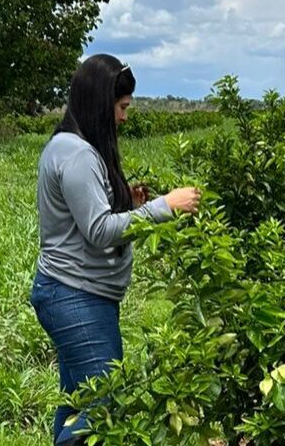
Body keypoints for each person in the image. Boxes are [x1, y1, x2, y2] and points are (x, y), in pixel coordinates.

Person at [29, 54, 201, 445]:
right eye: (121, 107)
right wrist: (163, 208)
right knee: (106, 405)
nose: (124, 117)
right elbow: (100, 230)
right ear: (100, 102)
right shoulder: (77, 155)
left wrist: (131, 204)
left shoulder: (68, 146)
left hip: (72, 293)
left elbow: (89, 215)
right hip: (76, 297)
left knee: (78, 402)